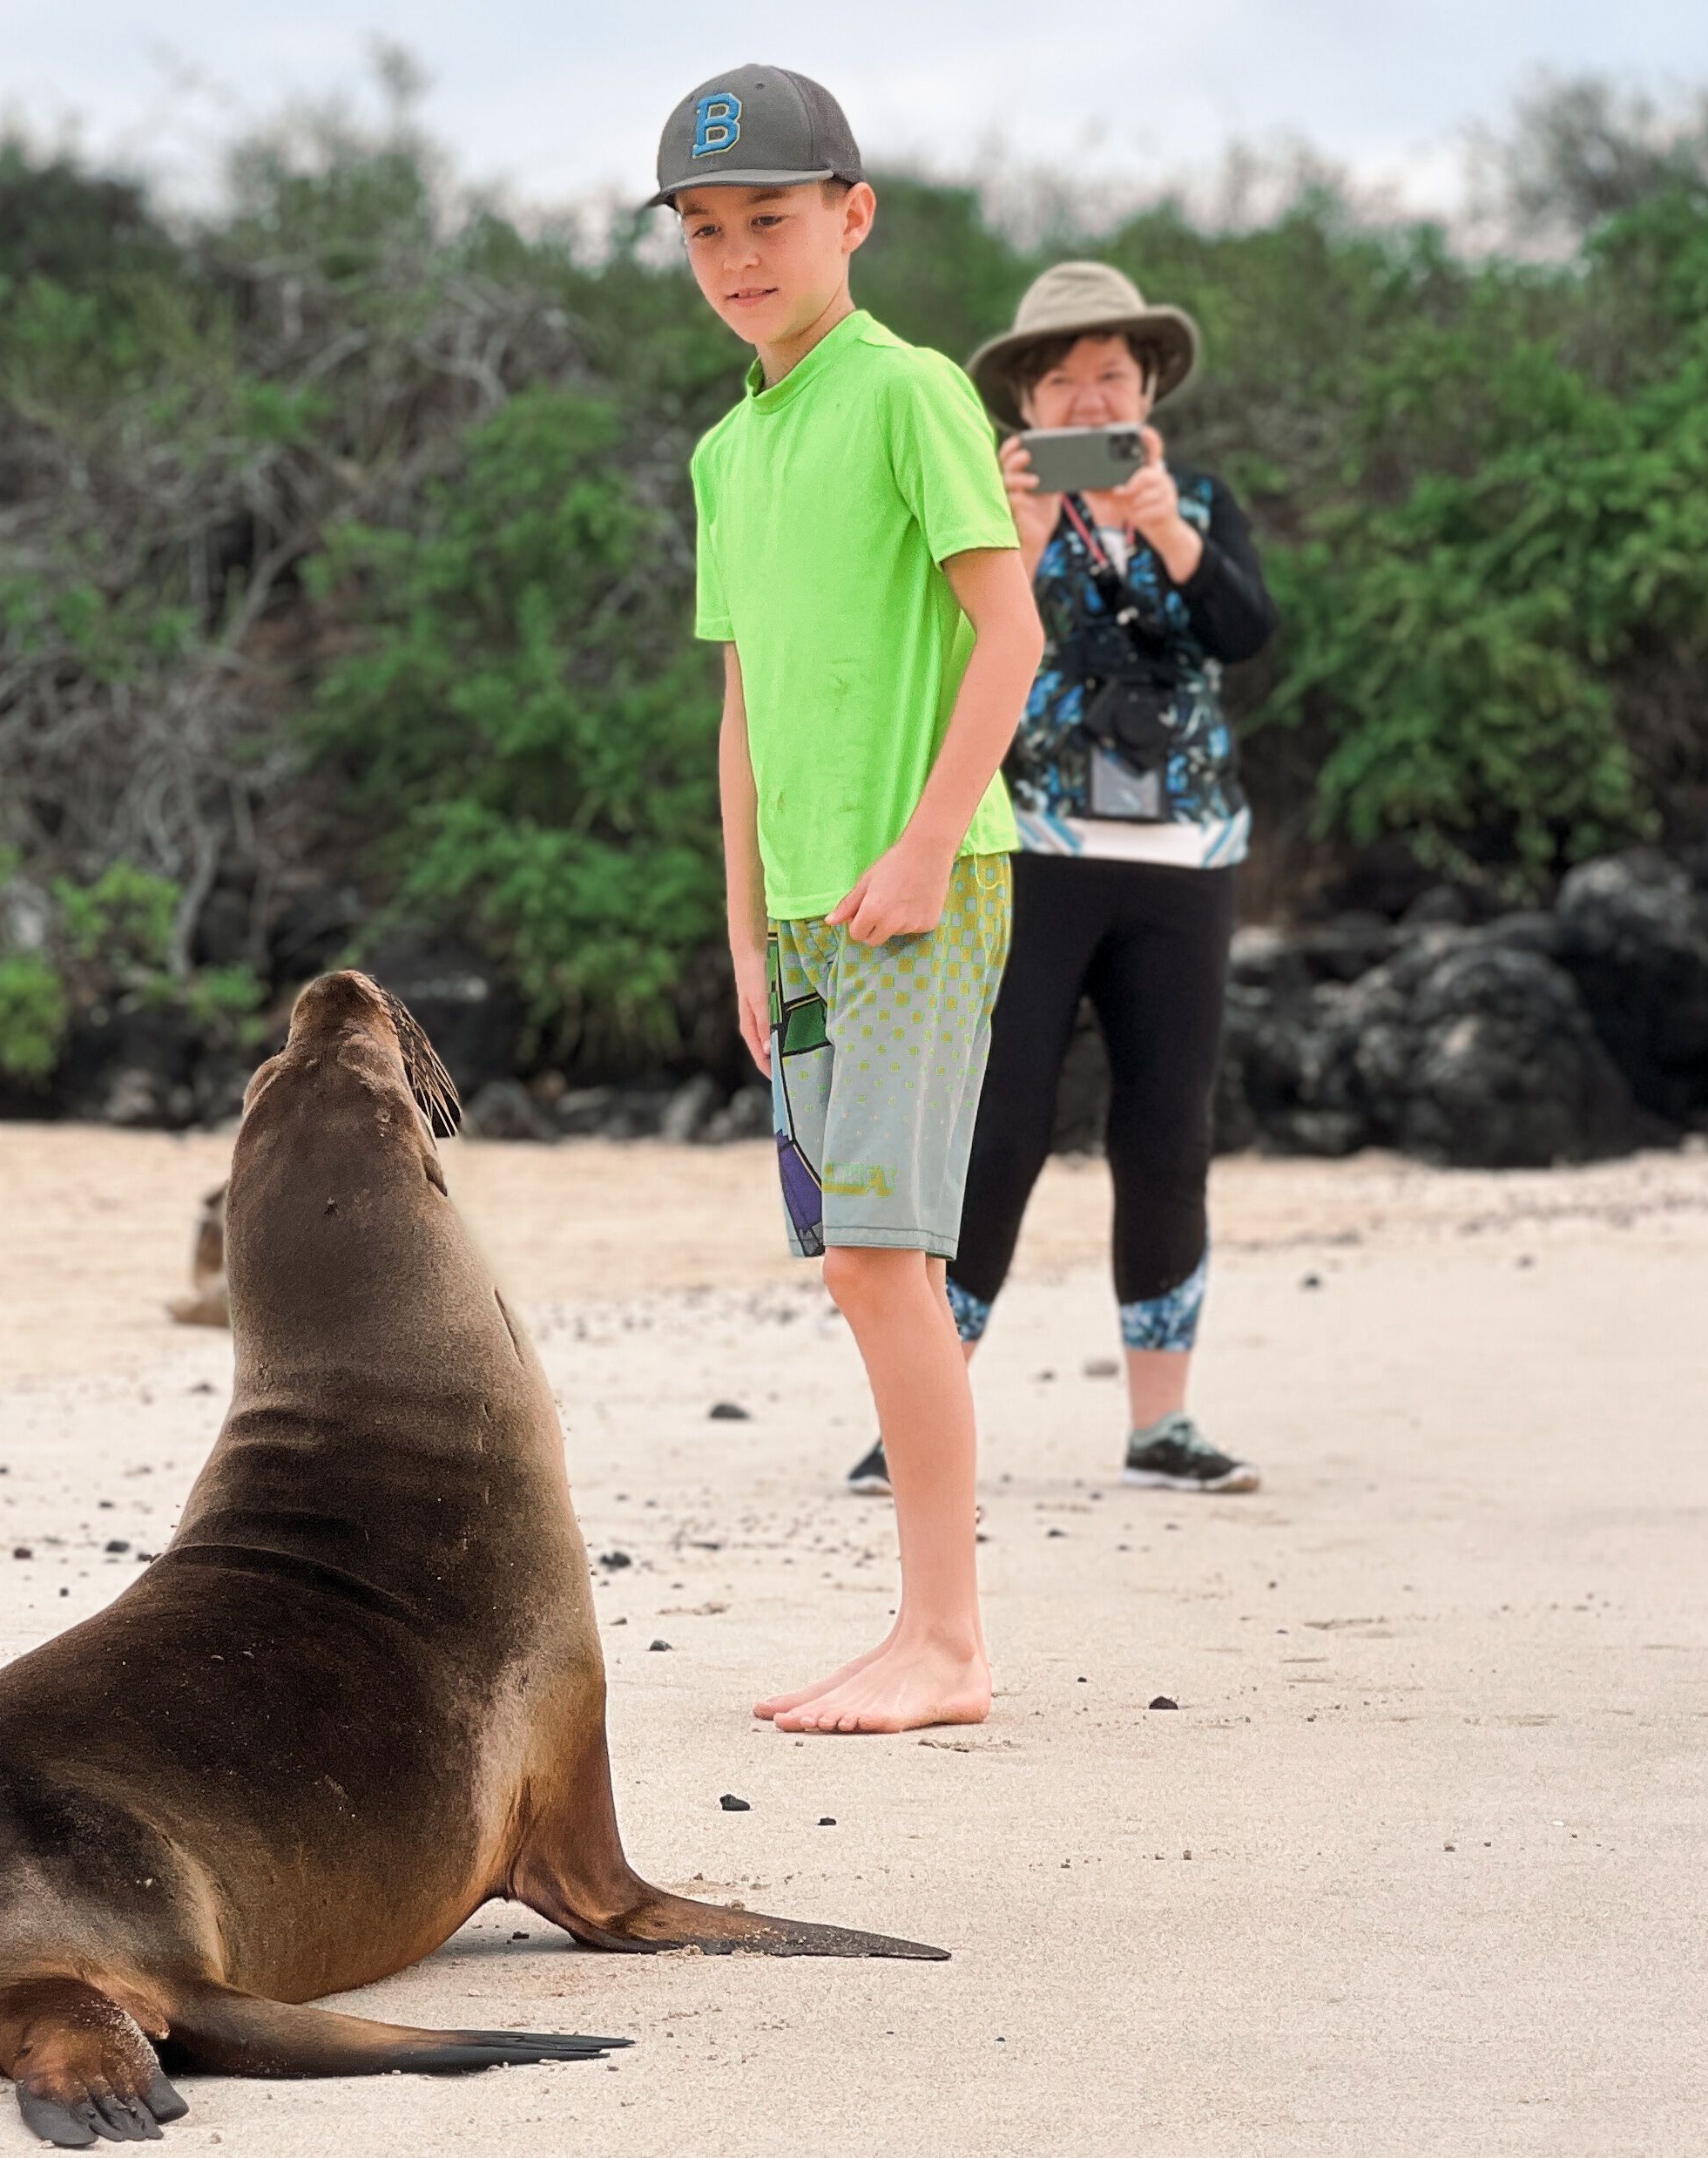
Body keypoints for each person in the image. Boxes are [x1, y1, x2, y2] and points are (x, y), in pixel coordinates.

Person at [658, 65, 1041, 1735]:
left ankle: (947, 1643)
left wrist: (926, 843)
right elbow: (742, 709)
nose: (740, 256)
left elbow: (1011, 633)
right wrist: (746, 930)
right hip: (809, 912)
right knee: (856, 1264)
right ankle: (924, 1630)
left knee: (888, 1257)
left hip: (921, 889)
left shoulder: (909, 390)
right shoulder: (726, 451)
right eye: (706, 230)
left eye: (771, 219)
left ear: (852, 215)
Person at [860, 262, 1278, 1500]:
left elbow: (1248, 630)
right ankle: (923, 1417)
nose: (1088, 396)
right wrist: (1026, 540)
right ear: (1027, 404)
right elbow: (939, 656)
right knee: (996, 1131)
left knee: (1168, 1134)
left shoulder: (1200, 498)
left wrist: (1168, 529)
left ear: (1146, 389)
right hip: (1031, 846)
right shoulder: (986, 512)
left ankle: (1164, 1425)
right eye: (1062, 380)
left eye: (1110, 374)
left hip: (1186, 857)